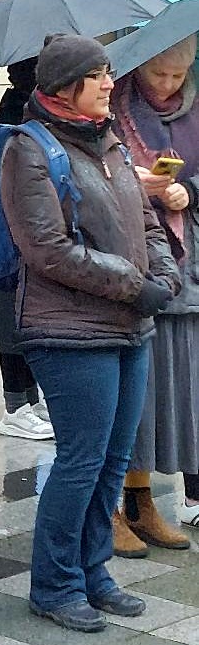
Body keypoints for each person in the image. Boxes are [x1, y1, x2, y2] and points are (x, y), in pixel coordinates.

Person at [0, 34, 180, 633]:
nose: (110, 83)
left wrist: (165, 271)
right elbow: (49, 250)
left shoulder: (108, 141)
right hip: (70, 330)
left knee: (113, 460)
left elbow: (148, 220)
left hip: (132, 325)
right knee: (80, 460)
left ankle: (94, 571)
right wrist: (135, 283)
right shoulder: (27, 150)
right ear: (64, 87)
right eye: (98, 75)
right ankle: (54, 584)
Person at [110, 37, 199, 555]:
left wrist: (190, 192)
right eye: (159, 73)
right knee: (136, 391)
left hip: (187, 267)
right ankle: (118, 502)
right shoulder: (116, 107)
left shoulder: (194, 110)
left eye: (176, 76)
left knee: (174, 386)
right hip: (137, 262)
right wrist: (134, 187)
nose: (166, 85)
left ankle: (144, 498)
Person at [0, 57, 54, 441]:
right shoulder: (18, 123)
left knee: (17, 324)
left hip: (4, 243)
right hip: (12, 243)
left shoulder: (6, 116)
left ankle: (27, 400)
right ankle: (16, 406)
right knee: (13, 324)